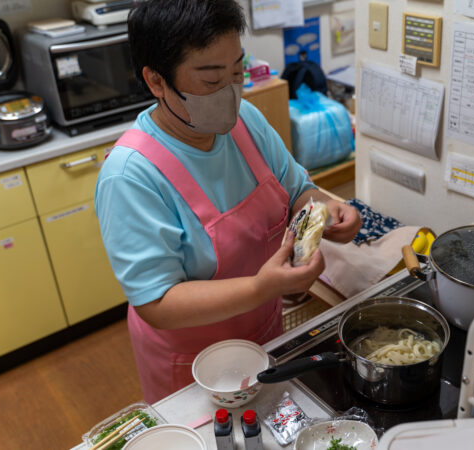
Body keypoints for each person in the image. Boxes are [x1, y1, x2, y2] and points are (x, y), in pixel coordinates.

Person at [94, 0, 361, 404]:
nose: (230, 92)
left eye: (237, 71)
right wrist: (260, 287)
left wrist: (327, 209)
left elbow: (298, 191)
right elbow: (157, 301)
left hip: (264, 335)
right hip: (190, 365)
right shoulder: (131, 176)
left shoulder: (246, 122)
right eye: (211, 79)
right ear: (156, 81)